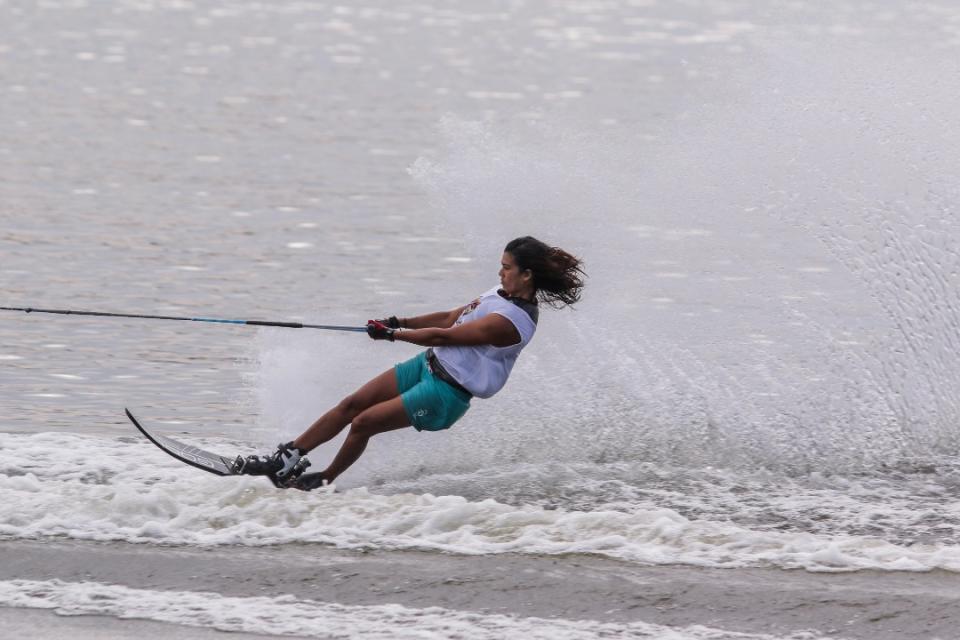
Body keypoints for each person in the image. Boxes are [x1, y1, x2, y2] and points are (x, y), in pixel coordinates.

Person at [233, 236, 585, 490]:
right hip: (428, 364)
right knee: (352, 404)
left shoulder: (512, 323)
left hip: (447, 394)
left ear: (527, 275)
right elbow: (448, 318)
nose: (500, 273)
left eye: (506, 268)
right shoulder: (499, 294)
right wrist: (398, 320)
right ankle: (287, 459)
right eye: (501, 266)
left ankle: (324, 480)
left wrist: (392, 335)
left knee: (363, 422)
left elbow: (444, 336)